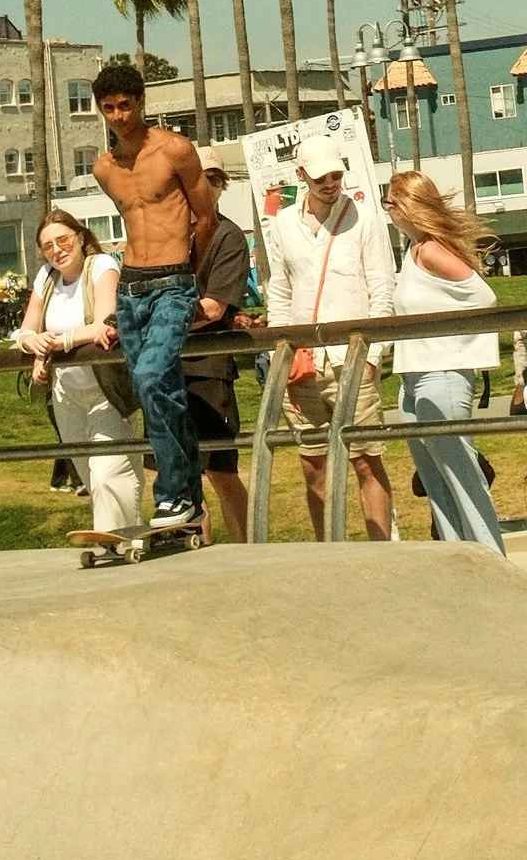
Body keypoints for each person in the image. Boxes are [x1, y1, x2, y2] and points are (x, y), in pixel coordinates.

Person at [86, 61, 207, 542]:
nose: (117, 116)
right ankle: (186, 498)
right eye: (108, 108)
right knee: (154, 391)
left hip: (173, 280)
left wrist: (189, 279)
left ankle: (173, 492)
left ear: (141, 102)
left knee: (153, 377)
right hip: (131, 288)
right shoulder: (104, 168)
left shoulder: (174, 149)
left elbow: (207, 218)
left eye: (125, 105)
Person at [259, 137, 396, 540]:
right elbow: (279, 292)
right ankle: (327, 550)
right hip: (302, 363)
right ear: (301, 175)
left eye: (336, 175)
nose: (330, 183)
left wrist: (373, 356)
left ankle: (381, 549)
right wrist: (279, 355)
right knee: (313, 464)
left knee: (366, 461)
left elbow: (381, 290)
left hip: (353, 359)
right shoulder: (283, 223)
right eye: (321, 176)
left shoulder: (365, 218)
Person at [385, 171, 506, 551]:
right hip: (411, 377)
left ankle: (492, 561)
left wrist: (456, 345)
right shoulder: (412, 250)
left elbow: (483, 297)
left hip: (442, 376)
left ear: (407, 205)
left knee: (463, 479)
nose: (387, 208)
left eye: (391, 201)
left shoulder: (432, 250)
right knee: (437, 484)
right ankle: (459, 561)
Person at [18, 204, 141, 544]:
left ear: (81, 238)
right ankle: (125, 537)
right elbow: (24, 332)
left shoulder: (101, 266)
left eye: (63, 240)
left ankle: (111, 539)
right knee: (89, 476)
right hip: (66, 395)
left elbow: (105, 323)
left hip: (105, 390)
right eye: (47, 245)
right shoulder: (46, 277)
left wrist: (54, 344)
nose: (56, 250)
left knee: (109, 472)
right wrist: (35, 345)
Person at [182, 168, 257, 541]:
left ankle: (248, 551)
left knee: (221, 470)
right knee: (178, 472)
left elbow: (213, 308)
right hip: (167, 367)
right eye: (196, 178)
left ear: (222, 186)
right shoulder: (169, 233)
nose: (204, 186)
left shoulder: (229, 236)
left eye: (213, 179)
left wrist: (161, 323)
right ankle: (194, 550)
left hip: (209, 367)